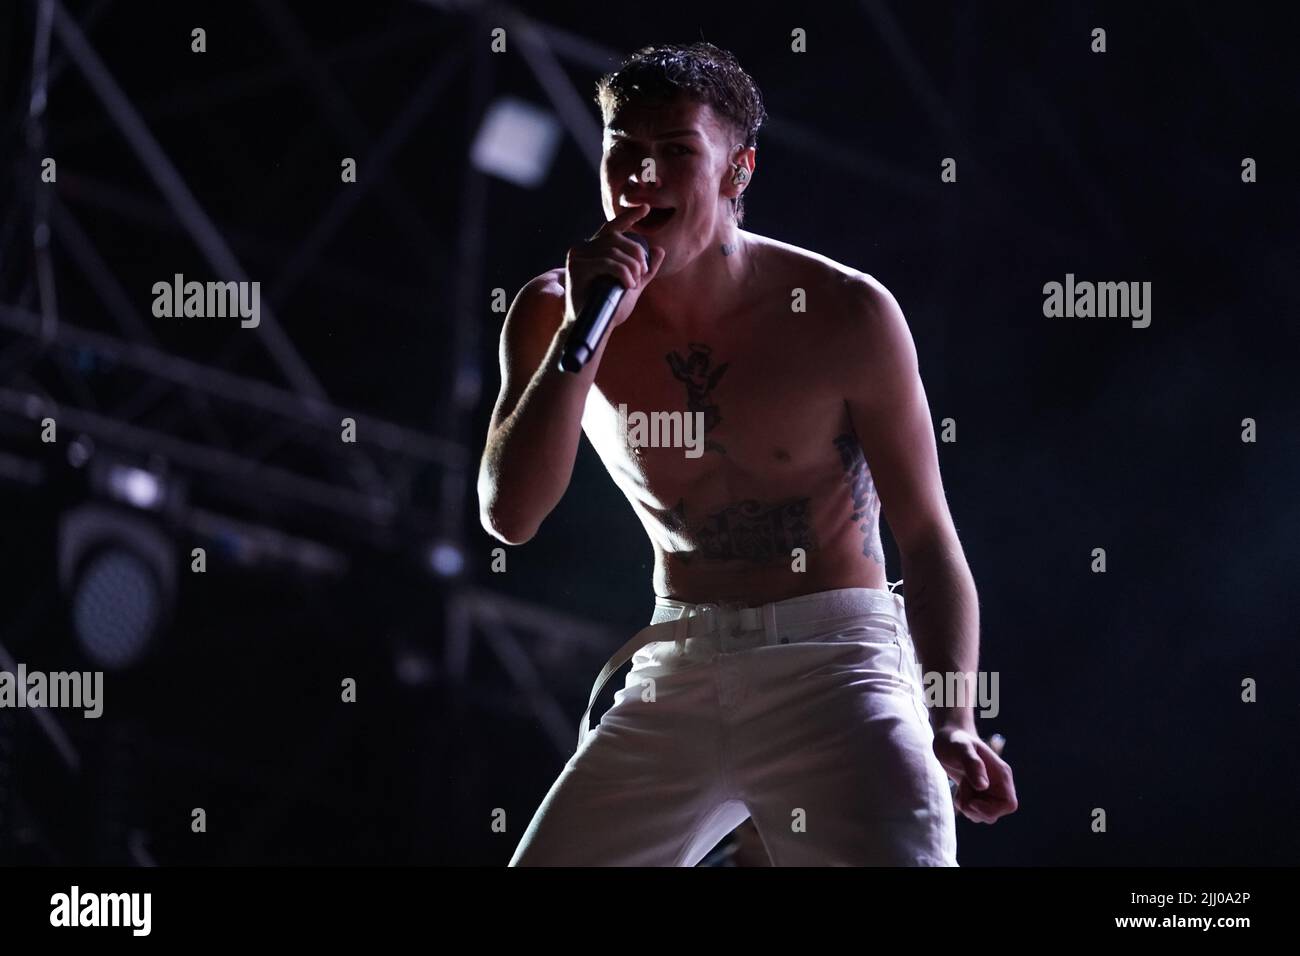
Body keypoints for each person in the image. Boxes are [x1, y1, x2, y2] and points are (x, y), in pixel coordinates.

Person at [478, 41, 1017, 866]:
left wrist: (953, 719)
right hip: (680, 661)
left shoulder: (844, 311)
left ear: (738, 169)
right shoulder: (556, 311)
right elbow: (510, 517)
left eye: (675, 152)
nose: (643, 177)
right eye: (624, 151)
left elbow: (928, 534)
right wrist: (577, 342)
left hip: (838, 664)